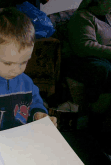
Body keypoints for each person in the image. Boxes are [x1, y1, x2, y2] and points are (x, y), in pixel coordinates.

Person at [66, 0, 111, 157]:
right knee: (106, 71)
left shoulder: (108, 17)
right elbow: (85, 46)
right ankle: (95, 123)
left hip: (105, 57)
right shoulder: (82, 17)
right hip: (86, 60)